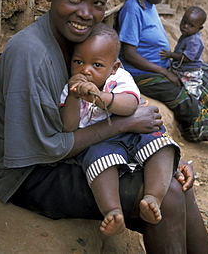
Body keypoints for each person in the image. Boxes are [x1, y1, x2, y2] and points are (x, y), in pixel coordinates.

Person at [0, 0, 208, 253]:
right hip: (30, 174)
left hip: (69, 151)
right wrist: (125, 124)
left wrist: (158, 153)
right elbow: (49, 149)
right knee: (166, 195)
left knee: (173, 183)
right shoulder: (31, 55)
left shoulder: (79, 44)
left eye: (98, 3)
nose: (86, 13)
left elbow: (100, 111)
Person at [59, 23, 180, 236]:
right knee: (98, 163)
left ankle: (153, 196)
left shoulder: (120, 78)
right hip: (101, 142)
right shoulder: (69, 90)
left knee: (161, 142)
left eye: (96, 65)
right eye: (78, 62)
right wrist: (73, 96)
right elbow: (67, 127)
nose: (85, 70)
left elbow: (130, 105)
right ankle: (112, 211)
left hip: (133, 133)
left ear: (113, 67)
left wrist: (99, 97)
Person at [118, 0, 208, 147]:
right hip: (143, 75)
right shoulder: (133, 10)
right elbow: (130, 55)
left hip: (163, 66)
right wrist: (165, 72)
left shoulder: (149, 4)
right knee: (185, 100)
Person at [160, 6, 207, 99]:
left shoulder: (194, 40)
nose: (185, 26)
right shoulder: (187, 35)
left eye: (191, 25)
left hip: (190, 72)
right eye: (184, 22)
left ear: (199, 28)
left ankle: (194, 104)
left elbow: (187, 58)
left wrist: (170, 55)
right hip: (181, 68)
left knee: (191, 90)